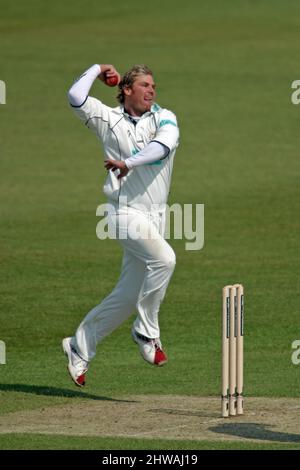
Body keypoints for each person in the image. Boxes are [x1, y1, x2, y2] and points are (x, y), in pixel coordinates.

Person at [63, 63, 179, 386]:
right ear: (127, 89)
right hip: (123, 213)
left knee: (128, 296)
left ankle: (78, 346)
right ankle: (146, 333)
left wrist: (128, 162)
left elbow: (162, 148)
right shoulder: (108, 119)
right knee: (165, 259)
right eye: (144, 85)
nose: (151, 90)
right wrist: (97, 69)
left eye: (153, 85)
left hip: (156, 217)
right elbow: (75, 96)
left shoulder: (165, 117)